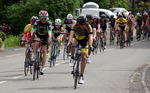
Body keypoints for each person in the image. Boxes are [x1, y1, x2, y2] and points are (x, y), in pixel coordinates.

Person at [68, 15, 93, 84]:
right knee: (73, 43)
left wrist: (90, 45)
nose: (83, 26)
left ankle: (81, 75)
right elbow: (71, 34)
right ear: (78, 23)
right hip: (76, 39)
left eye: (84, 24)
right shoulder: (75, 25)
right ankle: (72, 58)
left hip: (84, 41)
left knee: (84, 58)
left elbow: (91, 37)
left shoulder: (88, 26)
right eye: (82, 24)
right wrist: (69, 42)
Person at [31, 10, 52, 75]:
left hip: (45, 36)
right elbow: (33, 29)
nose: (44, 19)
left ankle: (42, 67)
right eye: (42, 18)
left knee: (44, 51)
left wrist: (49, 38)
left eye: (45, 18)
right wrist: (32, 36)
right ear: (40, 17)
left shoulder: (49, 23)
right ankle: (34, 55)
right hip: (39, 35)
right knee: (36, 42)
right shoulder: (37, 22)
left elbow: (50, 32)